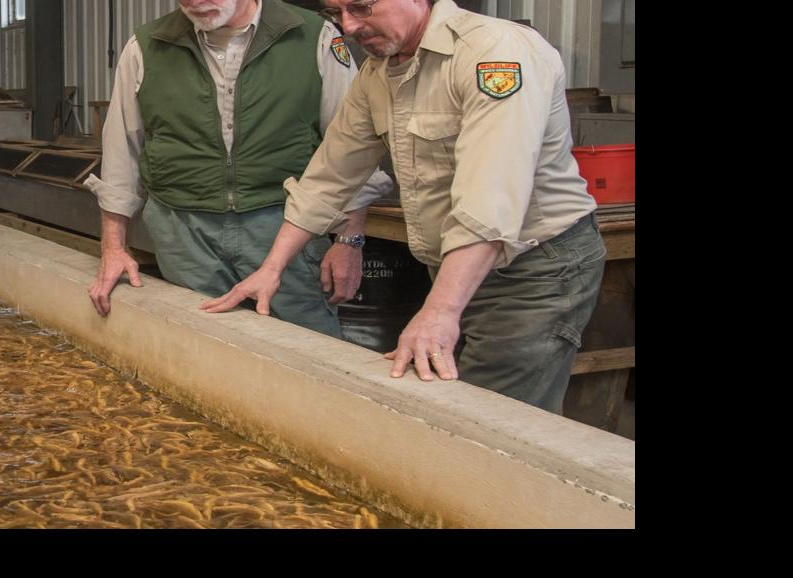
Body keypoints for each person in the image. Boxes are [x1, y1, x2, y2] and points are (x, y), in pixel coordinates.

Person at [203, 0, 605, 414]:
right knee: (455, 402)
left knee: (493, 416)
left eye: (361, 7)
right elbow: (328, 177)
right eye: (335, 13)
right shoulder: (379, 74)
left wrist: (439, 312)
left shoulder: (497, 53)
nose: (349, 26)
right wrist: (270, 271)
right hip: (458, 264)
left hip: (534, 268)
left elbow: (490, 201)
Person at [86, 0, 393, 338]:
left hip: (285, 225)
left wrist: (350, 240)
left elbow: (352, 151)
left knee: (305, 345)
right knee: (201, 344)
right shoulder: (145, 46)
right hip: (184, 232)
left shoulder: (311, 38)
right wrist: (113, 247)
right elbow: (120, 154)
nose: (195, 2)